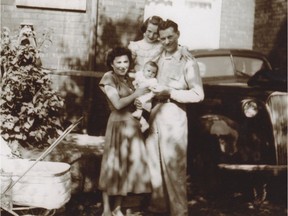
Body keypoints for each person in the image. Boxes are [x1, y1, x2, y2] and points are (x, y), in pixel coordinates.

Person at [145, 19, 205, 216]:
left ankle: (180, 212)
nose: (166, 41)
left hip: (174, 116)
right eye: (162, 38)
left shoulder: (188, 62)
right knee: (154, 167)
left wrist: (170, 92)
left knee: (174, 170)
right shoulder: (157, 55)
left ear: (178, 34)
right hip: (154, 115)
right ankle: (158, 210)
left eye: (170, 37)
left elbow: (198, 94)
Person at [98, 47, 151, 216]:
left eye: (125, 61)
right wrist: (136, 93)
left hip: (131, 124)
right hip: (118, 124)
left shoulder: (128, 79)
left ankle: (117, 208)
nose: (123, 65)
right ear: (112, 64)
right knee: (112, 165)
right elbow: (117, 104)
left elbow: (128, 102)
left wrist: (137, 103)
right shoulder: (108, 77)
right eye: (118, 62)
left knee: (125, 166)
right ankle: (106, 209)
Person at [132, 60, 159, 132]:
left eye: (153, 72)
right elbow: (136, 83)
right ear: (144, 70)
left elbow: (153, 91)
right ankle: (144, 124)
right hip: (139, 97)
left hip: (146, 100)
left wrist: (146, 96)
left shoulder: (153, 81)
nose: (151, 74)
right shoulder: (141, 77)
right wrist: (135, 84)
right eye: (149, 71)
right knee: (137, 111)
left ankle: (144, 123)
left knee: (140, 109)